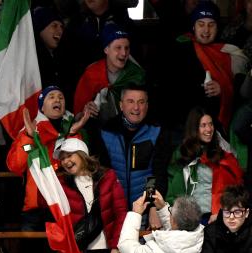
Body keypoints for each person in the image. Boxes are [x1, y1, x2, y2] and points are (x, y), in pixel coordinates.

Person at [6, 86, 88, 253]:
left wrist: (73, 135)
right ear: (42, 106)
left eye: (60, 96)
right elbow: (15, 165)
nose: (57, 99)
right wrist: (28, 137)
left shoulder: (71, 130)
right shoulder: (31, 129)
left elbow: (81, 162)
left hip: (63, 205)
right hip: (35, 208)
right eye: (51, 97)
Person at [161, 1, 248, 131]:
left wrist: (222, 89)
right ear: (193, 27)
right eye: (201, 24)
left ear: (217, 27)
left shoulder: (228, 53)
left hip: (217, 127)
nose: (206, 30)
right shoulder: (179, 49)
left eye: (211, 25)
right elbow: (170, 90)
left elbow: (243, 93)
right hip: (185, 125)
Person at [93, 84, 173, 218]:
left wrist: (152, 206)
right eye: (130, 101)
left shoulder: (156, 131)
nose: (136, 108)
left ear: (147, 106)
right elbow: (102, 175)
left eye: (141, 102)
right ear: (121, 105)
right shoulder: (106, 131)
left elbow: (155, 173)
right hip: (114, 212)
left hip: (144, 212)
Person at [54, 137, 127, 253]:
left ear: (82, 154)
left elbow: (120, 213)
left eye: (69, 156)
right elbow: (44, 203)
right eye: (62, 159)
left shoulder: (108, 177)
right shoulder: (60, 182)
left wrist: (116, 247)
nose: (65, 161)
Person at [167, 107, 244, 224]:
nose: (208, 129)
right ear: (194, 129)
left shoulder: (221, 154)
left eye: (210, 124)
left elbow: (233, 188)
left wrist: (220, 211)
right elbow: (173, 191)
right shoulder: (182, 155)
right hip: (190, 220)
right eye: (203, 125)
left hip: (217, 217)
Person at [118, 192, 204, 253]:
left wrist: (135, 214)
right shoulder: (201, 238)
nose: (169, 210)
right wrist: (163, 208)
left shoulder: (154, 252)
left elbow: (126, 246)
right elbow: (179, 231)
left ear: (173, 220)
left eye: (170, 210)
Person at [73, 24, 145, 127]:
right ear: (106, 49)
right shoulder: (91, 74)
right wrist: (86, 112)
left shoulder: (137, 75)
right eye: (118, 48)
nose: (124, 53)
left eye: (127, 48)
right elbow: (77, 115)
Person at [198, 184, 252, 253]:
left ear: (247, 213)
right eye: (227, 212)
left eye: (237, 212)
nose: (231, 217)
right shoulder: (210, 231)